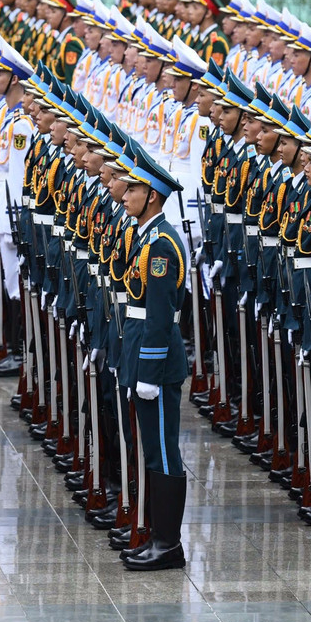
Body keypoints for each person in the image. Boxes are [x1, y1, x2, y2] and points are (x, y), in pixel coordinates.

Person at [118, 146, 189, 571]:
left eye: (133, 189)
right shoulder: (147, 237)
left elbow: (161, 317)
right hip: (143, 353)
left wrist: (148, 368)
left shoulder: (161, 247)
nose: (124, 195)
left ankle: (168, 543)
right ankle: (158, 537)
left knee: (163, 451)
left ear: (153, 197)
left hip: (157, 363)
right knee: (153, 449)